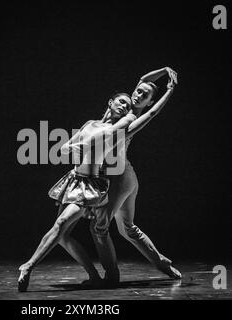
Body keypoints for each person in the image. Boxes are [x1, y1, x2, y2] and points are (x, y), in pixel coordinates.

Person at [17, 93, 136, 292]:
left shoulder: (118, 128)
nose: (125, 106)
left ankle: (28, 266)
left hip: (90, 186)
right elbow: (63, 148)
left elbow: (130, 120)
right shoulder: (90, 124)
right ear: (110, 102)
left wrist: (136, 109)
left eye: (128, 105)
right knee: (62, 236)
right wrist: (73, 147)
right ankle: (93, 277)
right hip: (74, 180)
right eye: (121, 101)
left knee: (61, 223)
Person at [89, 67, 182, 286]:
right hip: (125, 176)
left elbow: (152, 113)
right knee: (128, 228)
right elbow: (142, 79)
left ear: (149, 101)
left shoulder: (132, 119)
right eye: (138, 91)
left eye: (144, 95)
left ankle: (111, 275)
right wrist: (165, 70)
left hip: (119, 178)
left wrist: (170, 90)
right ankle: (162, 264)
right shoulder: (126, 106)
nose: (138, 95)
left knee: (99, 227)